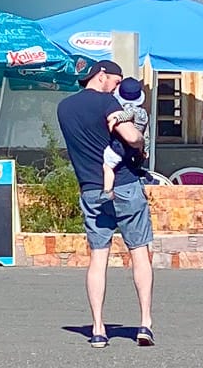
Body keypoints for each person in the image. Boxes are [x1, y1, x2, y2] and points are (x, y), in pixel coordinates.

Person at [56, 60, 154, 349]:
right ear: (101, 76)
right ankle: (145, 323)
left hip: (90, 189)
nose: (118, 85)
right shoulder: (108, 103)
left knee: (98, 258)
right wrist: (135, 140)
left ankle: (98, 328)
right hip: (124, 185)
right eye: (116, 79)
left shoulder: (64, 107)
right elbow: (132, 137)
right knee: (140, 253)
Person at [99, 77, 151, 198]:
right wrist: (145, 150)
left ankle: (107, 191)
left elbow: (127, 115)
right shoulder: (143, 112)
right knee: (135, 167)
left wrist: (115, 120)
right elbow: (146, 134)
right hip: (135, 149)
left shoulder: (127, 110)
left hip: (121, 146)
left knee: (108, 166)